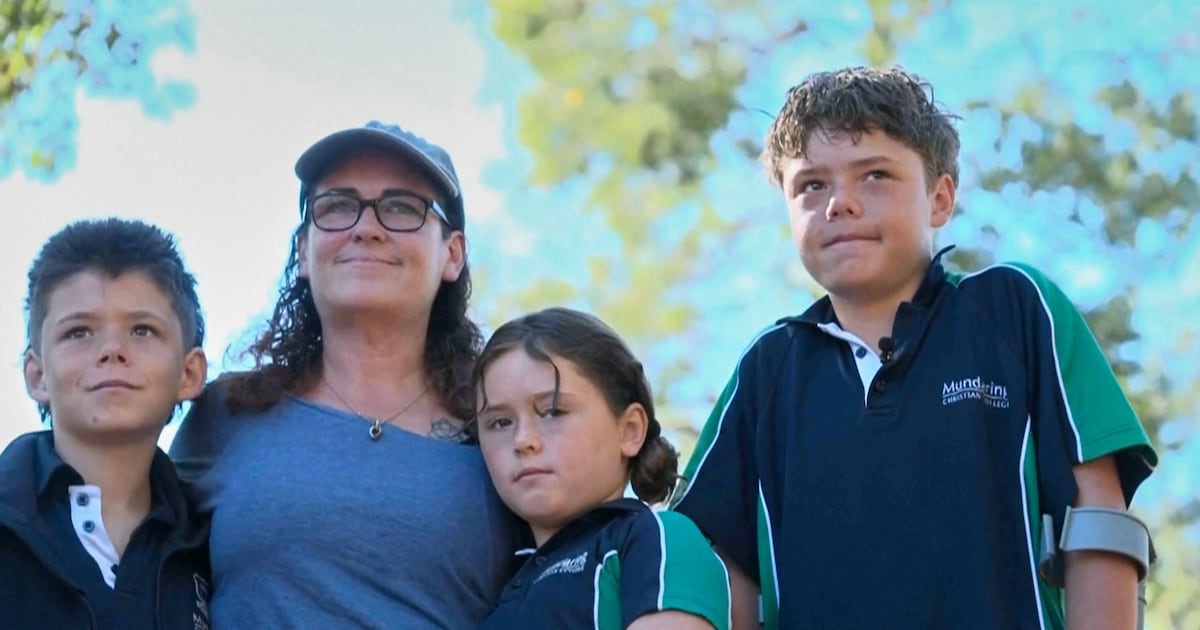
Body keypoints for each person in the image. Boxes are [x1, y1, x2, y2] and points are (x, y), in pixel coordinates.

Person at [671, 66, 1157, 630]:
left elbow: (1098, 515)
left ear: (940, 199)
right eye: (812, 185)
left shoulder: (1013, 312)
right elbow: (711, 572)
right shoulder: (768, 371)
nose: (839, 204)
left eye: (874, 175)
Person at [169, 121, 522, 627]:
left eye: (402, 206)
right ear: (303, 251)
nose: (366, 227)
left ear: (453, 254)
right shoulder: (226, 416)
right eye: (337, 206)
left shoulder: (502, 433)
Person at [0, 218, 211, 629]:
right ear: (37, 375)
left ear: (189, 373)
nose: (112, 350)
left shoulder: (216, 547)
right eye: (78, 332)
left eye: (142, 330)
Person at [473, 307, 731, 630]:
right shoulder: (494, 590)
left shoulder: (658, 538)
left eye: (553, 411)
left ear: (630, 430)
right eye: (500, 422)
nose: (523, 440)